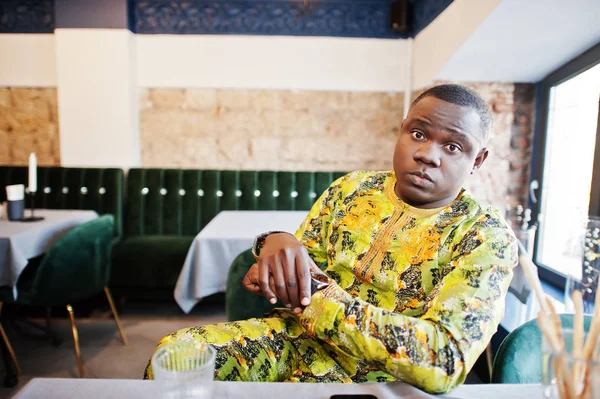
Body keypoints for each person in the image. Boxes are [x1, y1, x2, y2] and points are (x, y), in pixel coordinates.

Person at [144, 84, 517, 394]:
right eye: (418, 134)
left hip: (385, 379)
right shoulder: (352, 189)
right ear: (402, 129)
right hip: (295, 343)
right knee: (177, 354)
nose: (426, 154)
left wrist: (315, 299)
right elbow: (300, 271)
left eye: (453, 147)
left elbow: (444, 358)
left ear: (479, 159)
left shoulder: (485, 237)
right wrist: (274, 246)